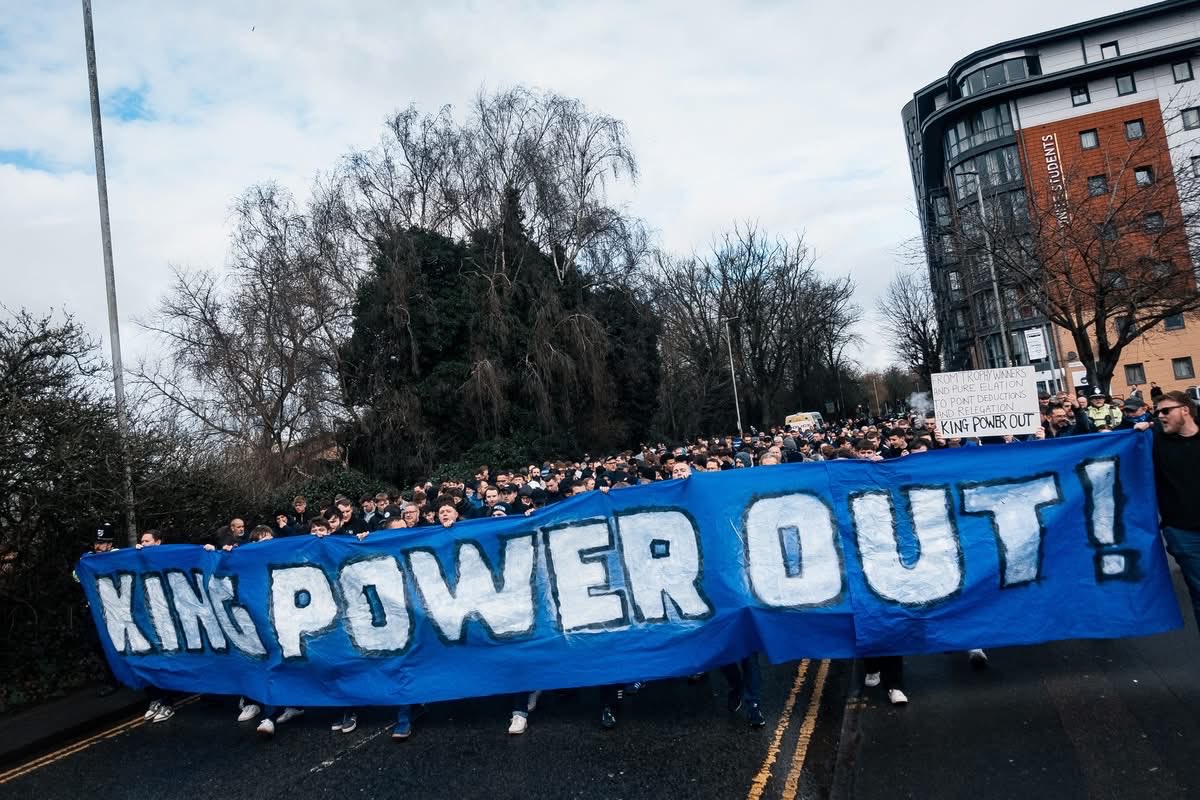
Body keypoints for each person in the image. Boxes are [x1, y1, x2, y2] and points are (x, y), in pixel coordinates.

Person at [1135, 392, 1200, 630]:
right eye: (1156, 411)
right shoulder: (1154, 440)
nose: (1159, 416)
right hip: (1184, 533)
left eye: (1165, 411)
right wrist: (1136, 432)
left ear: (1185, 410)